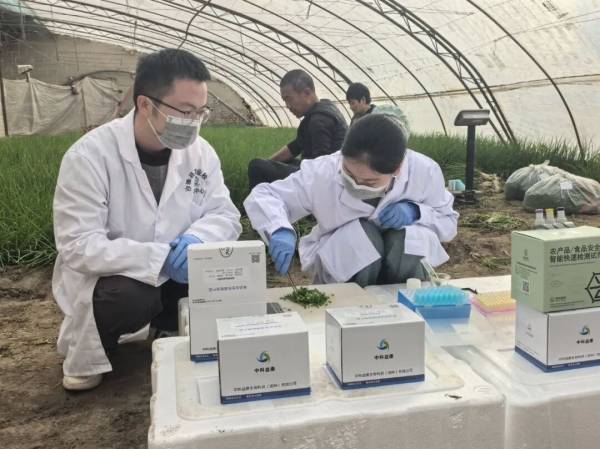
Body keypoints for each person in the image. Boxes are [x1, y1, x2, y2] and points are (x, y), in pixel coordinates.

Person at [52, 49, 241, 391]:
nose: (194, 122)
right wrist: (157, 258)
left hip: (179, 271)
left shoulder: (201, 153)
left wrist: (198, 238)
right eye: (185, 111)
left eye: (201, 112)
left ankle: (167, 324)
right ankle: (95, 350)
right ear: (145, 105)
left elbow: (224, 213)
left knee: (220, 268)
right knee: (131, 296)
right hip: (121, 281)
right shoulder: (90, 156)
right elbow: (77, 245)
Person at [244, 112, 458, 286]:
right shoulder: (324, 171)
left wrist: (417, 212)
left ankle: (406, 307)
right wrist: (279, 229)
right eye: (348, 174)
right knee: (362, 237)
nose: (356, 184)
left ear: (397, 169)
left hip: (406, 273)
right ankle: (352, 307)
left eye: (370, 182)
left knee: (405, 238)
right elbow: (266, 195)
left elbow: (448, 223)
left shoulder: (424, 171)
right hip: (344, 268)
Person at [247, 69, 347, 189]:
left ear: (307, 92)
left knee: (256, 166)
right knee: (280, 162)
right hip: (321, 173)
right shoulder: (323, 110)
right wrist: (269, 162)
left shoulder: (318, 121)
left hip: (325, 182)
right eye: (285, 101)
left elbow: (321, 167)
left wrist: (264, 165)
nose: (287, 106)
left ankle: (257, 200)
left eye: (289, 99)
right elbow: (295, 147)